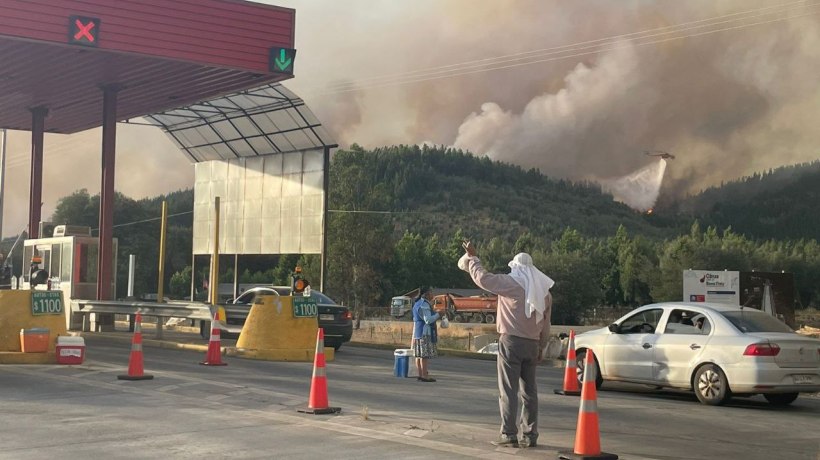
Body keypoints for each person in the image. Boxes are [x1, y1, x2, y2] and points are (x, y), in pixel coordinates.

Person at [458, 241, 553, 449]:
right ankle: (530, 434)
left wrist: (473, 258)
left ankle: (509, 434)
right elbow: (546, 324)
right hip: (533, 344)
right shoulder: (544, 293)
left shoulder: (512, 283)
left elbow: (483, 278)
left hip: (511, 342)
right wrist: (542, 347)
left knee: (508, 390)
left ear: (515, 266)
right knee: (530, 391)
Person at [411, 286, 440, 382]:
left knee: (419, 355)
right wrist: (439, 314)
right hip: (425, 332)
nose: (433, 294)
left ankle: (420, 374)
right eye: (431, 292)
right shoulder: (424, 304)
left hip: (417, 332)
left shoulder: (417, 303)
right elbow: (428, 320)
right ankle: (424, 375)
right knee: (424, 355)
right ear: (426, 294)